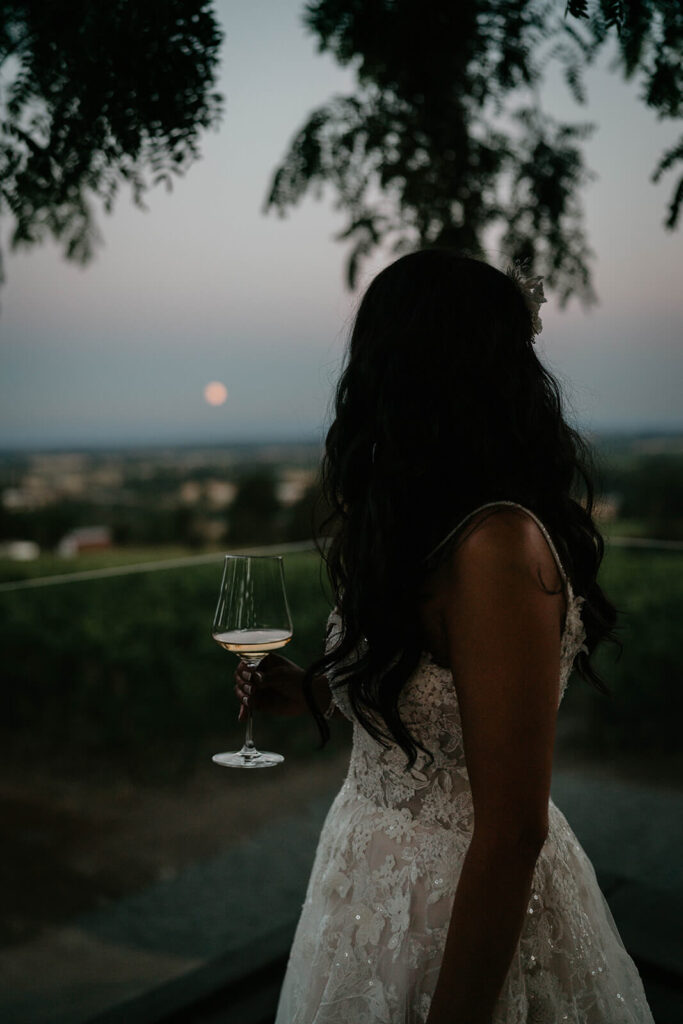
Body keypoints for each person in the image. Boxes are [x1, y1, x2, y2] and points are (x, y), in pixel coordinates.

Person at [235, 249, 655, 1023]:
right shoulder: (424, 529)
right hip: (364, 888)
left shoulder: (497, 547)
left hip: (462, 910)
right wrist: (316, 692)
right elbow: (438, 687)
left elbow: (512, 829)